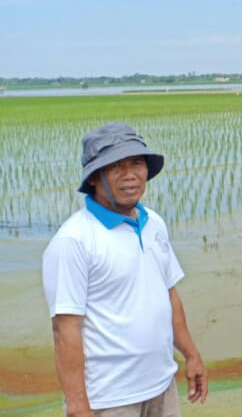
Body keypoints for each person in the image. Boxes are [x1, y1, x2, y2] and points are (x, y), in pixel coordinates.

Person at [42, 122, 208, 417]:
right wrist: (78, 406)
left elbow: (169, 295)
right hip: (110, 399)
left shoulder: (153, 223)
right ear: (94, 176)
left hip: (162, 386)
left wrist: (191, 355)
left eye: (137, 163)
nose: (130, 174)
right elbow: (65, 329)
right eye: (116, 166)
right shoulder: (74, 240)